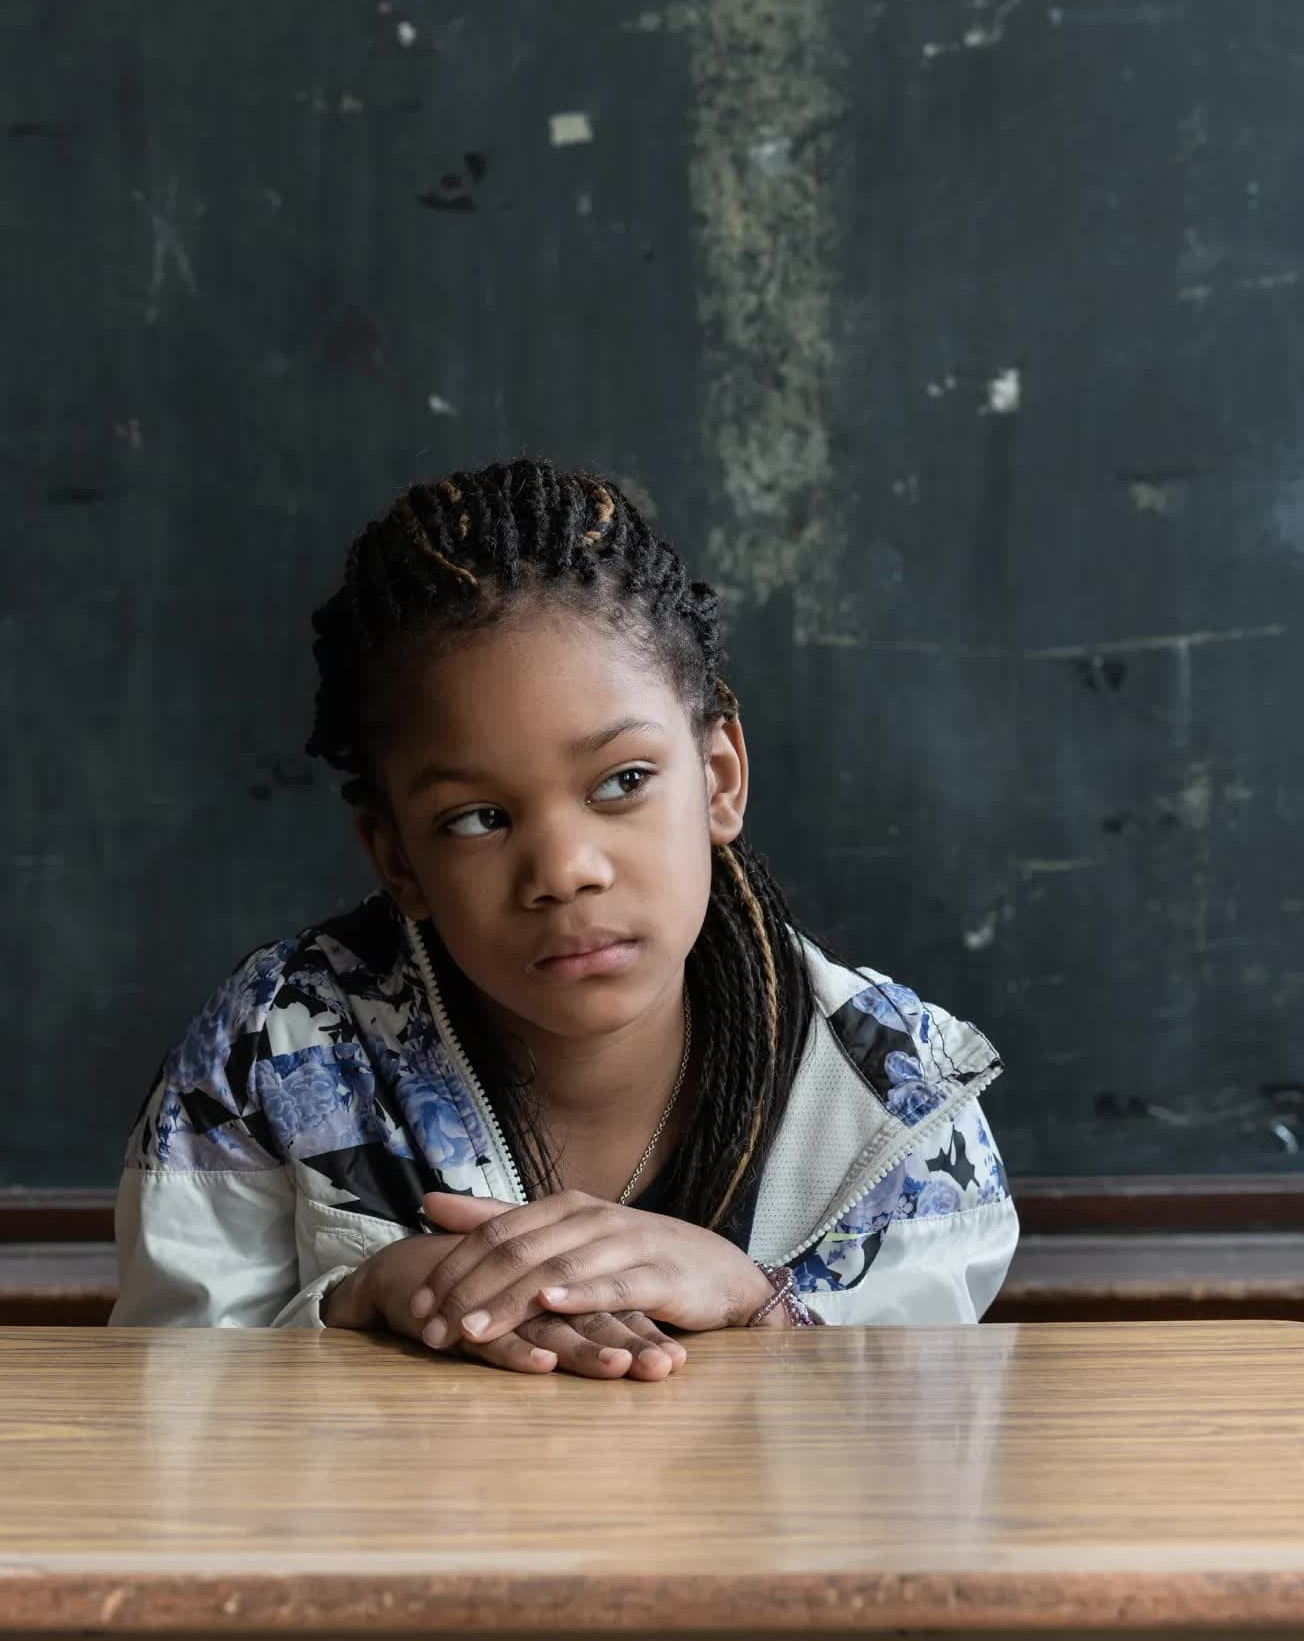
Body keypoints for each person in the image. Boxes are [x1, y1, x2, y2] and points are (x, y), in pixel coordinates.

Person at [110, 461, 1017, 1377]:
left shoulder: (896, 1088)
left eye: (623, 782)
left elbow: (923, 1447)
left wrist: (756, 1302)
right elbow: (171, 1408)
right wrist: (360, 1302)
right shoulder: (269, 1055)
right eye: (477, 819)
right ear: (397, 859)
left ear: (719, 779)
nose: (563, 872)